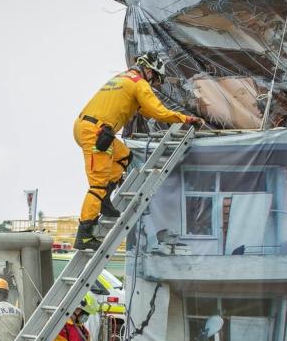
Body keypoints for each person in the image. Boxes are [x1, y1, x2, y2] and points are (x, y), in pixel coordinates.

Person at [73, 52, 203, 250]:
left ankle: (105, 202)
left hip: (90, 127)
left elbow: (143, 109)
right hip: (96, 132)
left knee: (124, 156)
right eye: (156, 79)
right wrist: (186, 119)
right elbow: (158, 112)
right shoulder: (139, 83)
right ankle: (84, 234)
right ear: (149, 71)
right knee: (97, 185)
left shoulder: (121, 79)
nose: (154, 84)